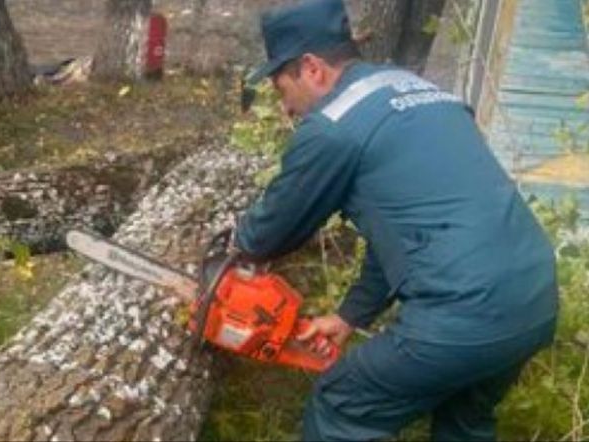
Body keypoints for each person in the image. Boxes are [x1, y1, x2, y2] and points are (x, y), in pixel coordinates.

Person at [232, 1, 559, 440]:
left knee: (342, 407)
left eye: (281, 90)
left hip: (464, 311)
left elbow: (266, 235)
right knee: (465, 420)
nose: (286, 109)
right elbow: (407, 233)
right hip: (534, 299)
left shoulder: (334, 125)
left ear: (311, 69)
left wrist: (234, 240)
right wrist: (349, 315)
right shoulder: (420, 92)